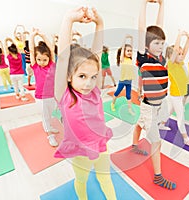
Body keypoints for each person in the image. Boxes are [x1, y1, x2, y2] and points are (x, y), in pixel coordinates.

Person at [54, 7, 116, 199]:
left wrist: (100, 24)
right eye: (82, 76)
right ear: (69, 76)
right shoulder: (64, 95)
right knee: (81, 180)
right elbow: (64, 57)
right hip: (79, 150)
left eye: (93, 77)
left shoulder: (95, 91)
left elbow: (95, 55)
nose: (88, 83)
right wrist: (68, 20)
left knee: (106, 178)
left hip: (100, 145)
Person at [132, 0, 176, 190]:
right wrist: (143, 3)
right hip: (149, 106)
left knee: (143, 124)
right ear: (147, 44)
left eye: (162, 43)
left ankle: (134, 143)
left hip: (159, 104)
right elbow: (143, 29)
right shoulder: (144, 55)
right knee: (156, 142)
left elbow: (158, 28)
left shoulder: (160, 57)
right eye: (156, 43)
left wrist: (161, 5)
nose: (160, 46)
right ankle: (158, 177)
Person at [165, 30, 189, 148]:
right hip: (175, 94)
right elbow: (175, 51)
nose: (181, 55)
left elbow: (184, 51)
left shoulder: (179, 63)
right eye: (178, 54)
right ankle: (186, 139)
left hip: (176, 94)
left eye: (181, 54)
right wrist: (179, 35)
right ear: (171, 56)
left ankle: (161, 123)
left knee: (170, 110)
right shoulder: (171, 64)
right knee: (181, 117)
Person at [30, 28, 59, 147]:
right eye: (39, 59)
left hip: (52, 96)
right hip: (41, 98)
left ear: (49, 59)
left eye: (44, 60)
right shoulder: (36, 67)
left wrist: (43, 35)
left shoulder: (52, 65)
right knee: (45, 116)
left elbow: (51, 49)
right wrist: (32, 36)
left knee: (50, 114)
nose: (42, 62)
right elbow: (32, 51)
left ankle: (49, 126)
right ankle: (50, 135)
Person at [110, 35, 135, 115]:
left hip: (129, 81)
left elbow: (132, 47)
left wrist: (132, 39)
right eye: (128, 51)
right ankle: (112, 103)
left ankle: (130, 109)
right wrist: (125, 39)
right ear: (124, 52)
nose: (130, 52)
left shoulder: (131, 59)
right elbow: (123, 48)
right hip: (123, 80)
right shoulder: (122, 59)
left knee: (128, 95)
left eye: (131, 51)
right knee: (117, 93)